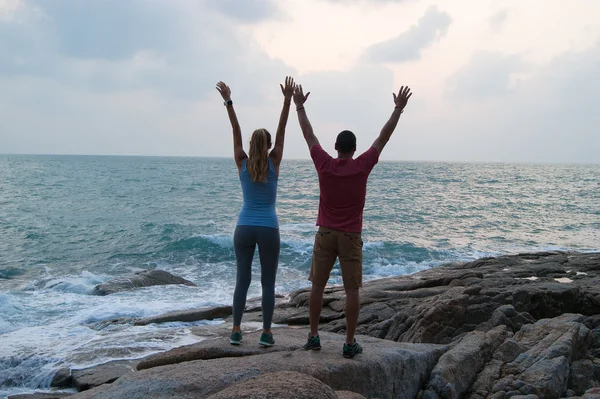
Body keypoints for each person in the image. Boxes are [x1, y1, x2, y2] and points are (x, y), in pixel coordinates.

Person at [293, 84, 412, 358]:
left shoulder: (324, 164)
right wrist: (398, 109)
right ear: (355, 149)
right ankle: (348, 343)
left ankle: (313, 337)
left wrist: (299, 106)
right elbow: (384, 136)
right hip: (350, 236)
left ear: (335, 148)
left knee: (317, 287)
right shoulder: (362, 165)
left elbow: (308, 135)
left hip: (325, 234)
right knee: (352, 291)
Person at [216, 77, 295, 347]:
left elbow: (235, 128)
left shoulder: (241, 162)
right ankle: (266, 333)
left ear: (251, 144)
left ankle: (236, 330)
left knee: (242, 281)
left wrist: (228, 101)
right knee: (268, 284)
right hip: (269, 227)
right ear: (269, 145)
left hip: (244, 227)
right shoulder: (275, 161)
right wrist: (287, 101)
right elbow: (282, 129)